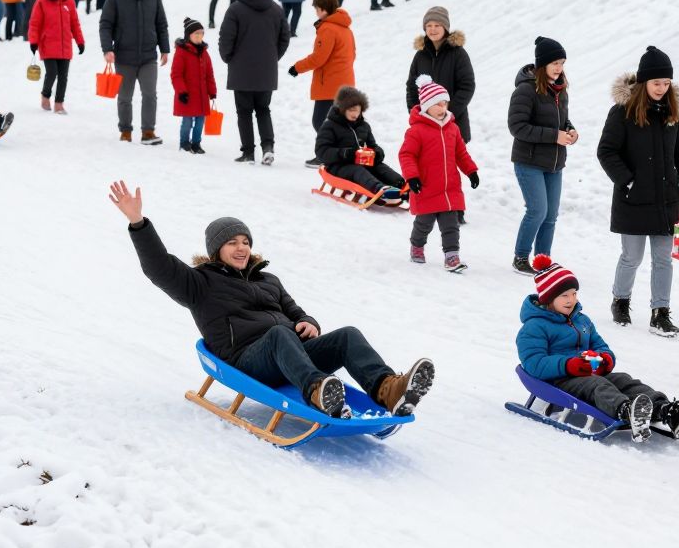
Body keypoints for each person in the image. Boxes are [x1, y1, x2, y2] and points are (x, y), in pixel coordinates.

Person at [109, 186, 435, 418]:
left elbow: (295, 311)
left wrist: (309, 321)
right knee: (279, 335)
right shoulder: (201, 283)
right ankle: (318, 392)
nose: (241, 248)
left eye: (246, 242)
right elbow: (159, 267)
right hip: (250, 362)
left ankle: (388, 389)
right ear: (216, 250)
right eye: (232, 243)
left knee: (347, 334)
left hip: (291, 355)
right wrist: (139, 223)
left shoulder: (268, 280)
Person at [517, 255, 679, 443]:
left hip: (587, 371)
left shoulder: (581, 320)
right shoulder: (534, 327)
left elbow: (600, 345)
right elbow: (534, 363)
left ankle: (668, 412)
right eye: (564, 295)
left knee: (625, 380)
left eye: (574, 294)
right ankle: (626, 411)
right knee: (597, 386)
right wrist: (568, 365)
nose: (571, 299)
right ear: (548, 298)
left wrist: (605, 359)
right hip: (559, 379)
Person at [597, 46, 679, 337]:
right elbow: (606, 151)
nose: (662, 89)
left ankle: (660, 313)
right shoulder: (622, 112)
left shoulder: (672, 113)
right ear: (643, 83)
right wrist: (628, 181)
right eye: (657, 83)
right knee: (632, 256)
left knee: (664, 258)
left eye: (666, 84)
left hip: (665, 199)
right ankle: (621, 300)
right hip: (633, 198)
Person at [508, 37, 577, 275]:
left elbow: (561, 120)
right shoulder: (526, 89)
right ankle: (520, 257)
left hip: (554, 163)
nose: (559, 67)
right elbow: (517, 127)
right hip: (529, 161)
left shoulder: (561, 90)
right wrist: (553, 136)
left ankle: (543, 260)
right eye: (554, 63)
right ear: (542, 64)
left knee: (551, 214)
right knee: (537, 210)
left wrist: (570, 131)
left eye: (562, 62)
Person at [400, 75, 478, 273]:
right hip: (426, 186)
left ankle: (452, 257)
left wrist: (471, 171)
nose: (443, 108)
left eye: (445, 104)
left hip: (449, 188)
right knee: (423, 224)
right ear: (426, 105)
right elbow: (406, 155)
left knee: (451, 225)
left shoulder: (452, 128)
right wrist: (412, 177)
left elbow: (460, 153)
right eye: (438, 104)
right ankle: (417, 246)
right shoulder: (416, 131)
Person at [218, 0, 290, 165]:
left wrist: (229, 58)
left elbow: (226, 39)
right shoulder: (276, 9)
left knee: (244, 112)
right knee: (263, 109)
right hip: (266, 71)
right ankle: (268, 147)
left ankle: (248, 152)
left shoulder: (235, 9)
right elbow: (284, 38)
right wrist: (273, 58)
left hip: (241, 70)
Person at [100, 0, 170, 145]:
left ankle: (148, 131)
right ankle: (125, 131)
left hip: (148, 57)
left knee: (150, 95)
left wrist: (165, 49)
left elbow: (161, 25)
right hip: (124, 57)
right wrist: (107, 49)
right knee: (125, 97)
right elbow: (105, 25)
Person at [288, 0, 355, 167]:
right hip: (345, 83)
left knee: (320, 121)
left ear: (324, 9)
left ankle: (328, 156)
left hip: (330, 85)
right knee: (335, 122)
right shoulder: (345, 28)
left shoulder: (328, 29)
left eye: (317, 9)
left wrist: (297, 67)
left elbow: (319, 58)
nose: (316, 13)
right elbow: (352, 55)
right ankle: (341, 154)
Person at [315, 86, 406, 204]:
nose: (356, 114)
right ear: (342, 109)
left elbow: (374, 145)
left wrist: (376, 153)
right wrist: (346, 153)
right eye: (352, 110)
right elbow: (321, 151)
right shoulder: (330, 126)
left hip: (361, 162)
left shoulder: (363, 126)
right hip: (337, 166)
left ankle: (401, 185)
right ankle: (380, 190)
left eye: (358, 110)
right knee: (357, 170)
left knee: (379, 166)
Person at [405, 6, 476, 146]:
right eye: (429, 25)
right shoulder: (420, 56)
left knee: (450, 166)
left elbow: (467, 86)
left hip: (453, 123)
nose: (433, 29)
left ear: (445, 27)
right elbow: (411, 87)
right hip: (425, 124)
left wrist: (447, 112)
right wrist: (416, 112)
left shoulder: (458, 54)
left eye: (437, 25)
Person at [28, 0, 84, 115]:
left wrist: (80, 41)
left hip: (65, 46)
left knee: (63, 77)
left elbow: (75, 23)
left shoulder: (69, 0)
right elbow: (34, 23)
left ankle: (59, 104)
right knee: (52, 73)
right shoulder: (41, 1)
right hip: (48, 45)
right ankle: (45, 95)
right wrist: (33, 41)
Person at [171, 17, 217, 154]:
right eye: (195, 34)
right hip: (188, 95)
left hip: (202, 95)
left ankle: (196, 143)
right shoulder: (181, 53)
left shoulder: (204, 53)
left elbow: (209, 74)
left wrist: (212, 91)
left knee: (199, 122)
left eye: (201, 33)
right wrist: (181, 91)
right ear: (188, 35)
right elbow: (176, 75)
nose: (199, 36)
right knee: (187, 122)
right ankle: (184, 143)